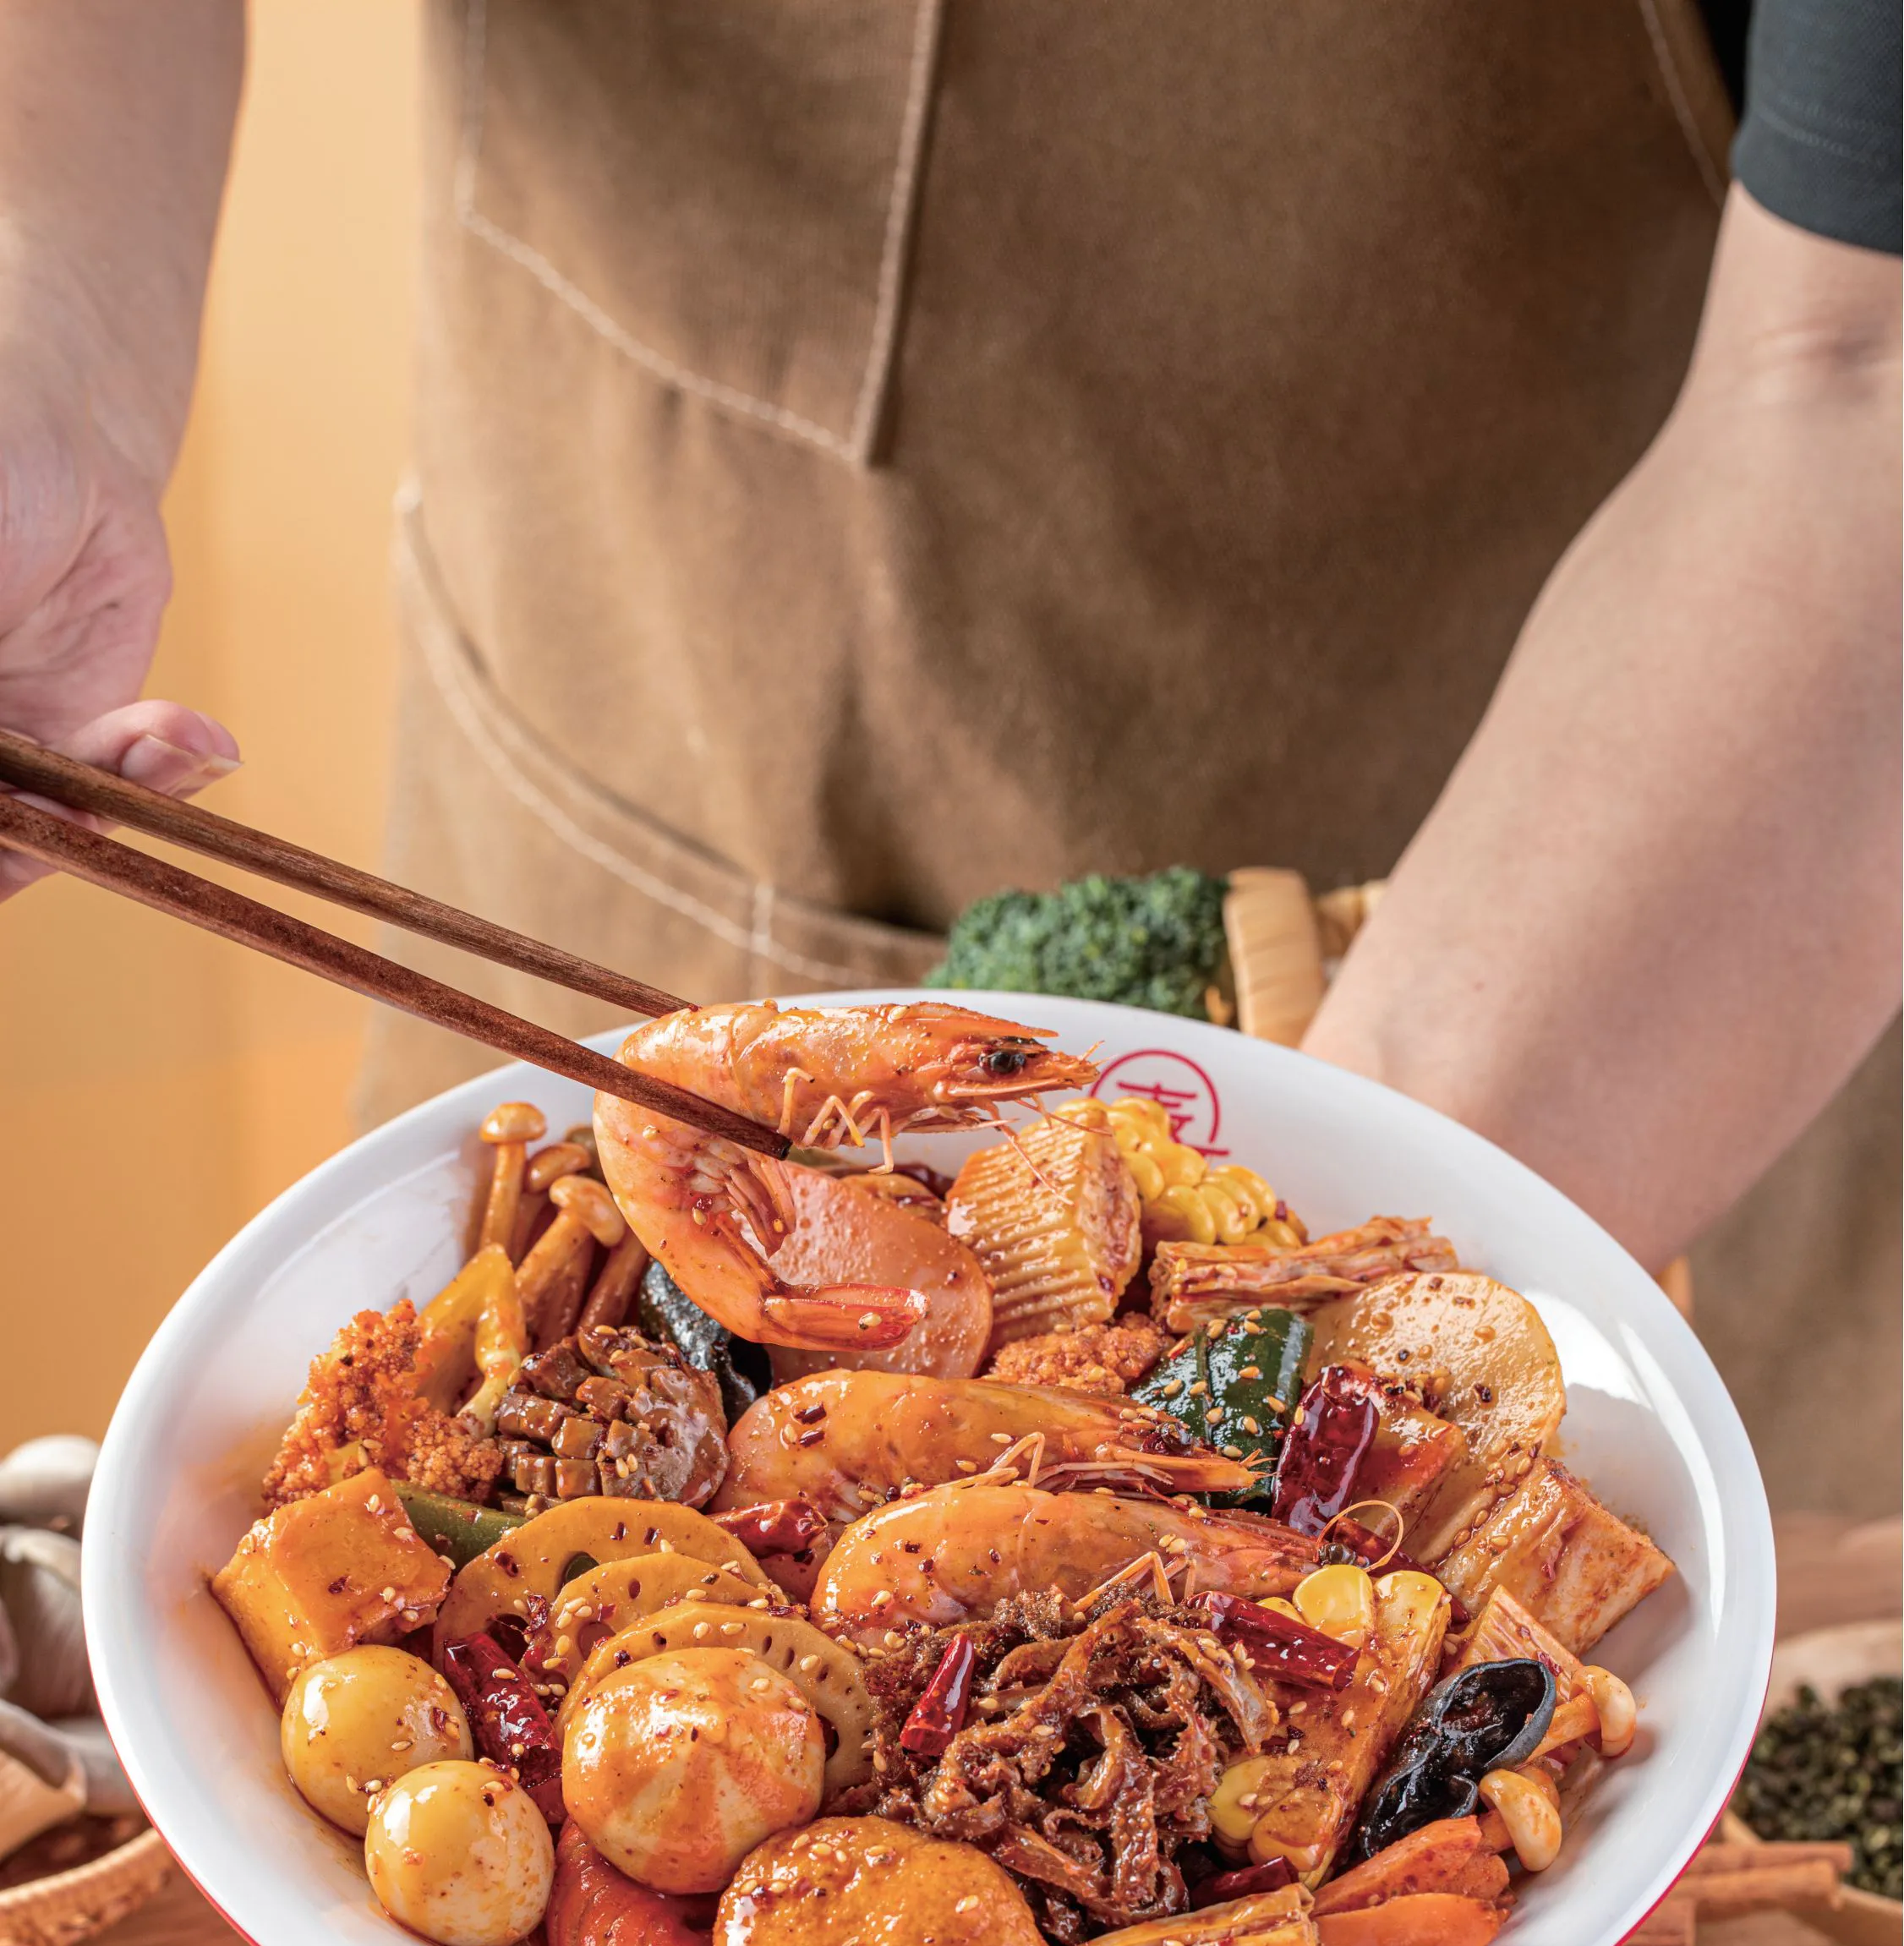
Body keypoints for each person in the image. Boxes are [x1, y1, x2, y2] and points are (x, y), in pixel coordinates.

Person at [0, 3, 1895, 1503]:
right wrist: (49, 338)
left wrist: (1298, 1339)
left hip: (1618, 948)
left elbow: (1862, 376)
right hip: (596, 776)